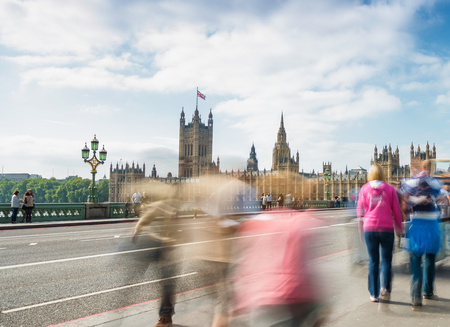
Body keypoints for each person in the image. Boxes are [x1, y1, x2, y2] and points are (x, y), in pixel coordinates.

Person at [356, 164, 402, 303]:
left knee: (373, 261)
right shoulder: (389, 189)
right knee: (387, 260)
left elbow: (360, 212)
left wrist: (360, 230)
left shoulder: (364, 188)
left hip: (369, 229)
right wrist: (399, 227)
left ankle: (373, 294)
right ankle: (385, 288)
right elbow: (397, 210)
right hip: (387, 228)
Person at [402, 160, 445, 310]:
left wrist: (414, 203)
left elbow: (405, 202)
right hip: (431, 225)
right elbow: (440, 199)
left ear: (420, 167)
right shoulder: (435, 183)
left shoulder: (411, 183)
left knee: (415, 261)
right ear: (431, 168)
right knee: (429, 259)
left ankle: (415, 298)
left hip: (416, 225)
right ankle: (428, 291)